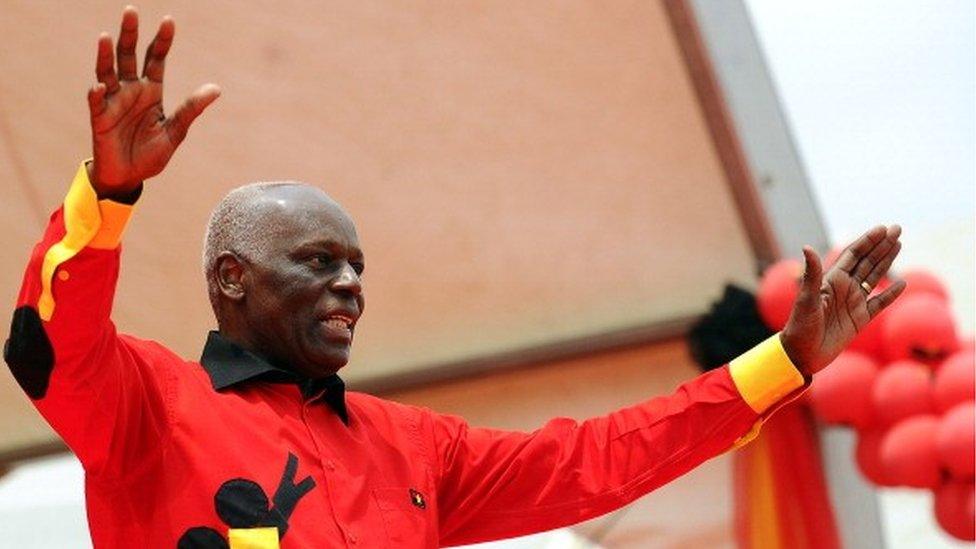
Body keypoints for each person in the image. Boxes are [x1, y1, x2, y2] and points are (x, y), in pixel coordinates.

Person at [3, 7, 905, 549]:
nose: (351, 283)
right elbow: (51, 345)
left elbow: (601, 458)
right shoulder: (151, 405)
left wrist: (782, 362)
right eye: (319, 262)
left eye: (356, 265)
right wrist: (108, 192)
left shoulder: (417, 449)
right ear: (232, 279)